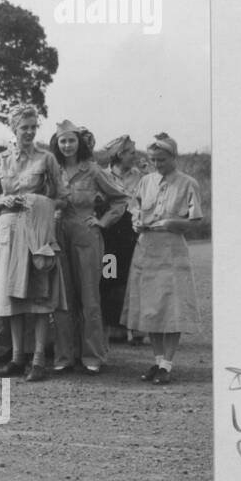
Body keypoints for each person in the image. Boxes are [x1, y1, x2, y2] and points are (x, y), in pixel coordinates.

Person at [0, 105, 68, 381]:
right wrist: (3, 201)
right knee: (13, 297)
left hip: (37, 232)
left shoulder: (47, 159)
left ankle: (39, 360)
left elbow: (62, 198)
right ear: (14, 129)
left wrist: (37, 202)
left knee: (39, 296)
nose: (30, 132)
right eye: (24, 127)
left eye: (33, 127)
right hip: (9, 231)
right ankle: (17, 358)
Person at [122, 133, 204, 385]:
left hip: (172, 252)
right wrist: (136, 221)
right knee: (150, 308)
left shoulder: (188, 183)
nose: (157, 164)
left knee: (171, 307)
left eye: (162, 159)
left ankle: (167, 363)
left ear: (173, 157)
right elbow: (135, 208)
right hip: (146, 250)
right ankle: (157, 361)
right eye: (153, 159)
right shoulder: (145, 181)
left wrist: (172, 222)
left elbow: (195, 220)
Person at [50, 120, 129, 373]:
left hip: (86, 235)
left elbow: (120, 199)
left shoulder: (93, 171)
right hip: (58, 234)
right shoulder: (51, 169)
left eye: (72, 140)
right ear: (57, 143)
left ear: (79, 143)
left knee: (90, 297)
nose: (67, 145)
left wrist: (102, 222)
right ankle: (64, 356)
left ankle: (93, 356)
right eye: (63, 141)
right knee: (62, 298)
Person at [100, 135, 144, 344]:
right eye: (131, 152)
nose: (135, 156)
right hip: (110, 233)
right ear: (119, 154)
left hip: (133, 232)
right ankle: (112, 327)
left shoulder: (140, 176)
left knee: (134, 278)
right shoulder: (102, 175)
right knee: (110, 276)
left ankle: (135, 328)